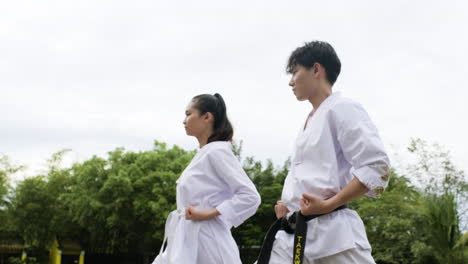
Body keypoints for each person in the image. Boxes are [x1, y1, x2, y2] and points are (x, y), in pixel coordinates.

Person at [257, 41, 391, 264]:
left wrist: (329, 204)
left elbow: (377, 166)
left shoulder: (343, 107)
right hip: (292, 235)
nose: (291, 82)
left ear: (316, 69)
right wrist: (289, 209)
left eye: (295, 72)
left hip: (333, 235)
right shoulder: (309, 121)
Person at [153, 93, 261, 264]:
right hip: (187, 242)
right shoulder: (205, 153)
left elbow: (250, 196)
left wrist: (208, 214)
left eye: (189, 114)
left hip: (209, 244)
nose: (184, 120)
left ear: (207, 117)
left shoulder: (217, 152)